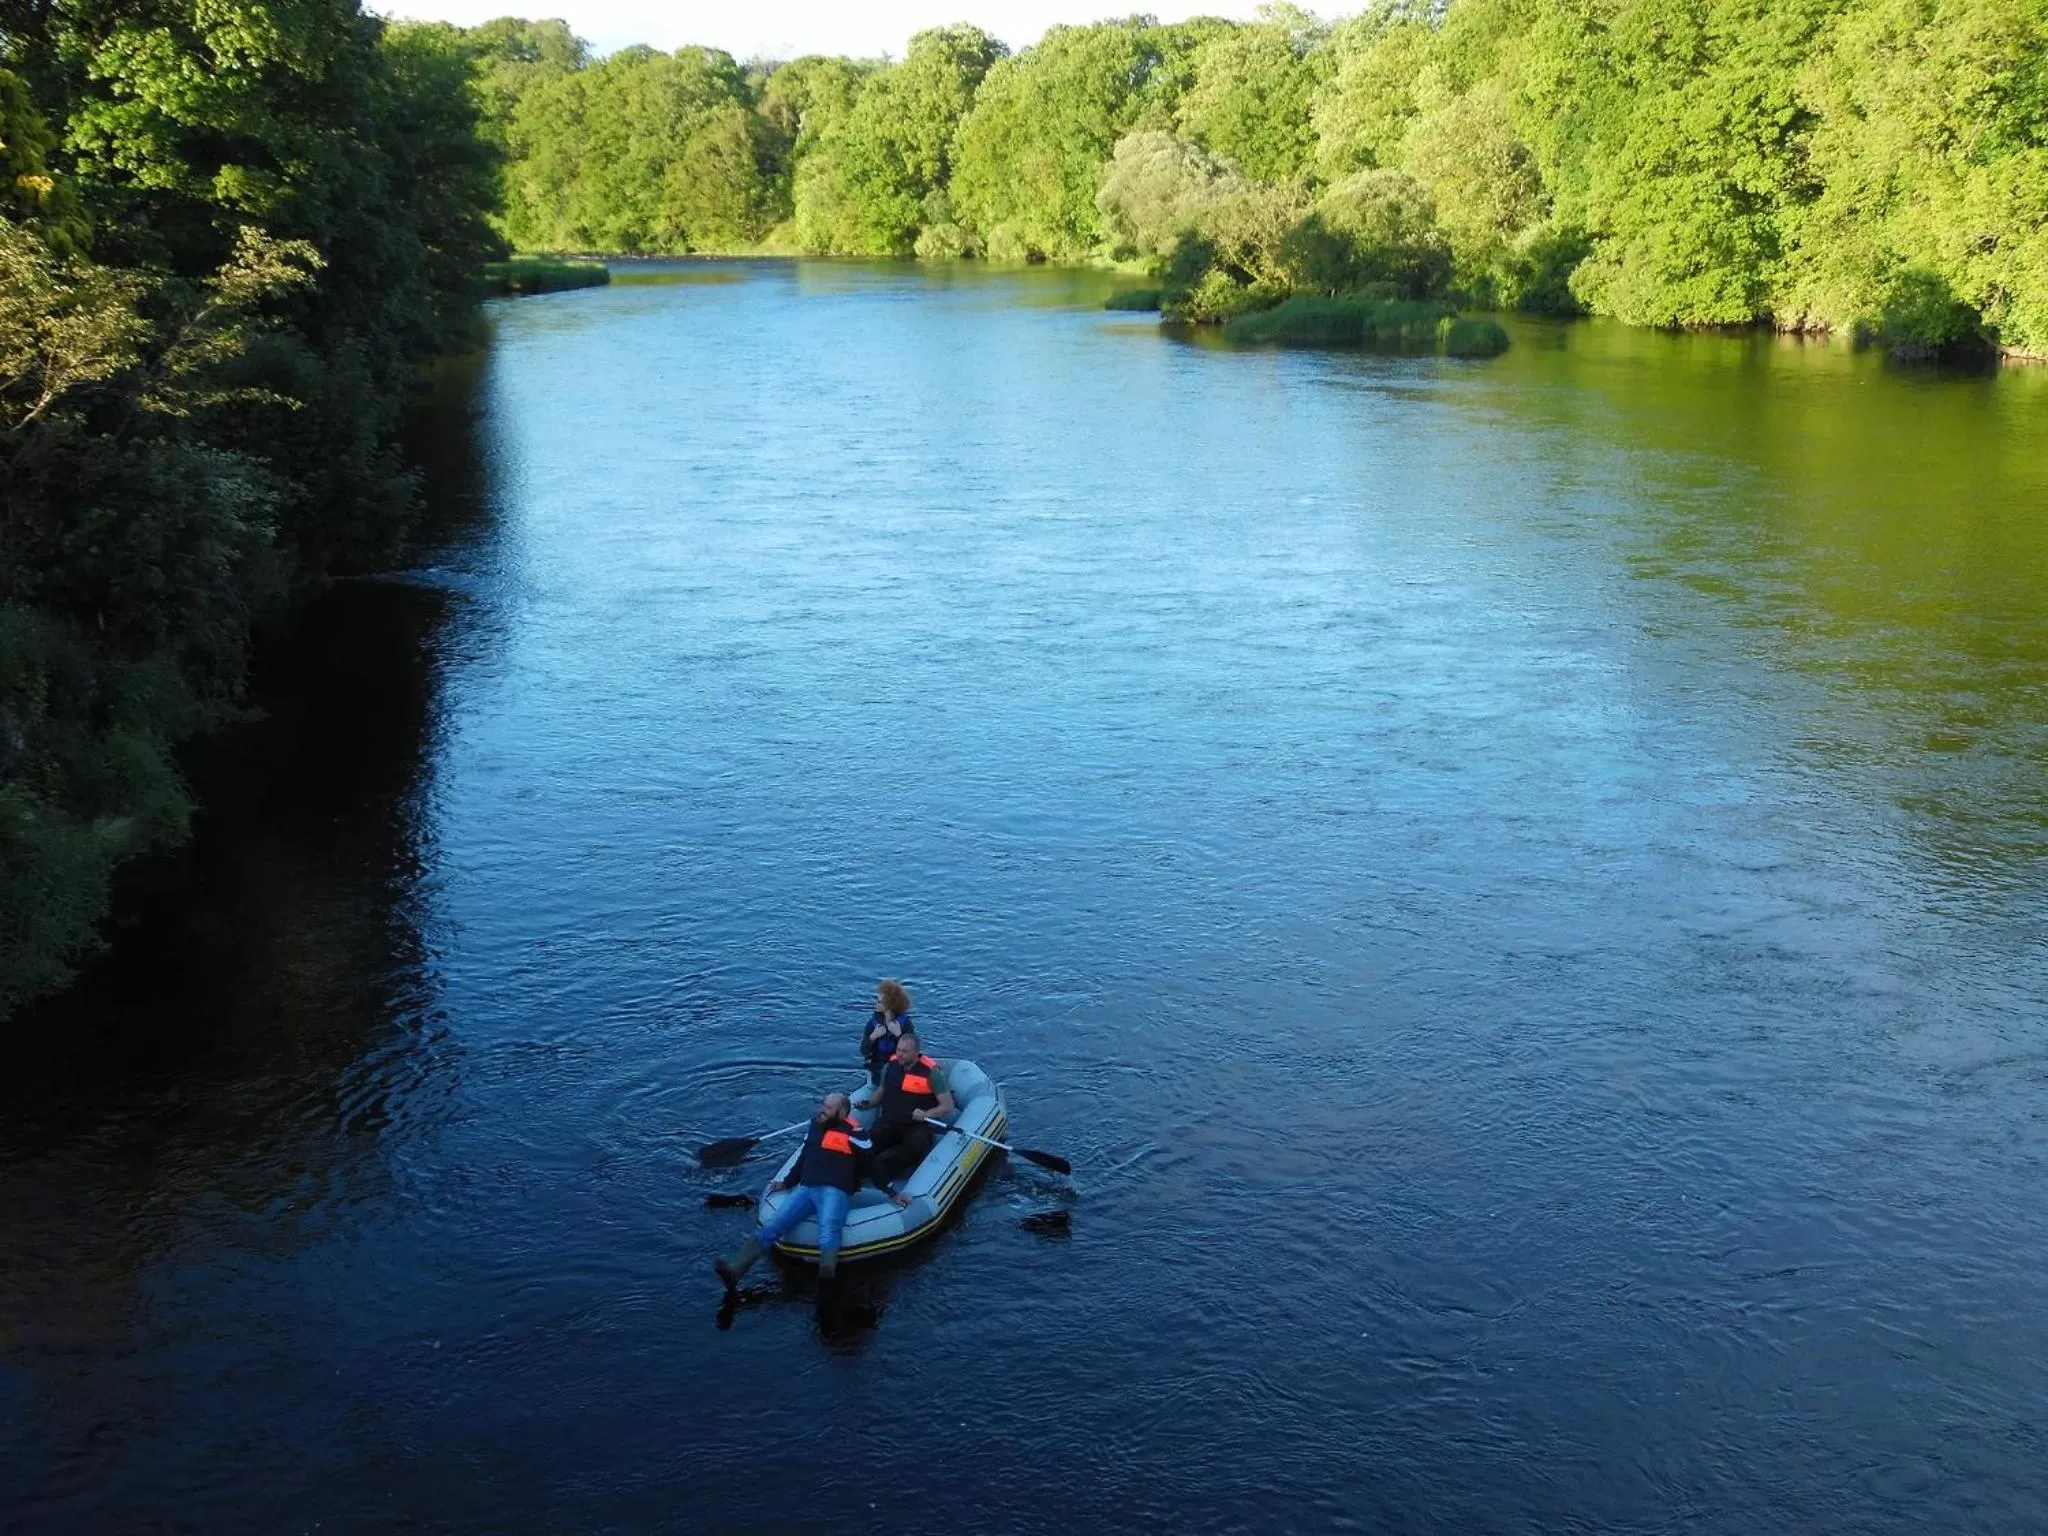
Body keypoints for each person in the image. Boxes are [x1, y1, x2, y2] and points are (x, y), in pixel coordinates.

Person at [715, 1091, 909, 1287]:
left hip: (835, 1190)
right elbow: (803, 1157)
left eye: (828, 1108)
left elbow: (873, 1166)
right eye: (823, 1106)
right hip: (806, 1188)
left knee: (829, 1231)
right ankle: (735, 1270)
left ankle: (826, 1283)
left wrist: (892, 1192)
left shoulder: (856, 1134)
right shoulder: (816, 1126)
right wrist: (787, 1182)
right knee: (773, 1226)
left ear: (842, 1113)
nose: (822, 1111)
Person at [853, 1027, 955, 1183]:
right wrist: (868, 1104)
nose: (899, 1054)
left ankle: (882, 1174)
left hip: (916, 1126)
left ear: (916, 1052)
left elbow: (947, 1106)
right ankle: (856, 1169)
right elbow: (882, 1091)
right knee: (868, 1142)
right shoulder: (890, 1066)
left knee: (910, 1149)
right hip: (889, 1121)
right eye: (898, 1050)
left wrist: (926, 1114)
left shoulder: (932, 1073)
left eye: (904, 1052)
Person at [859, 979, 913, 1086]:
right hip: (877, 1070)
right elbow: (864, 1050)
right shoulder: (873, 1024)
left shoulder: (905, 1024)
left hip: (899, 1070)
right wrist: (872, 1037)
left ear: (889, 1006)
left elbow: (912, 1052)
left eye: (879, 1002)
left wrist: (899, 1036)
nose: (876, 1004)